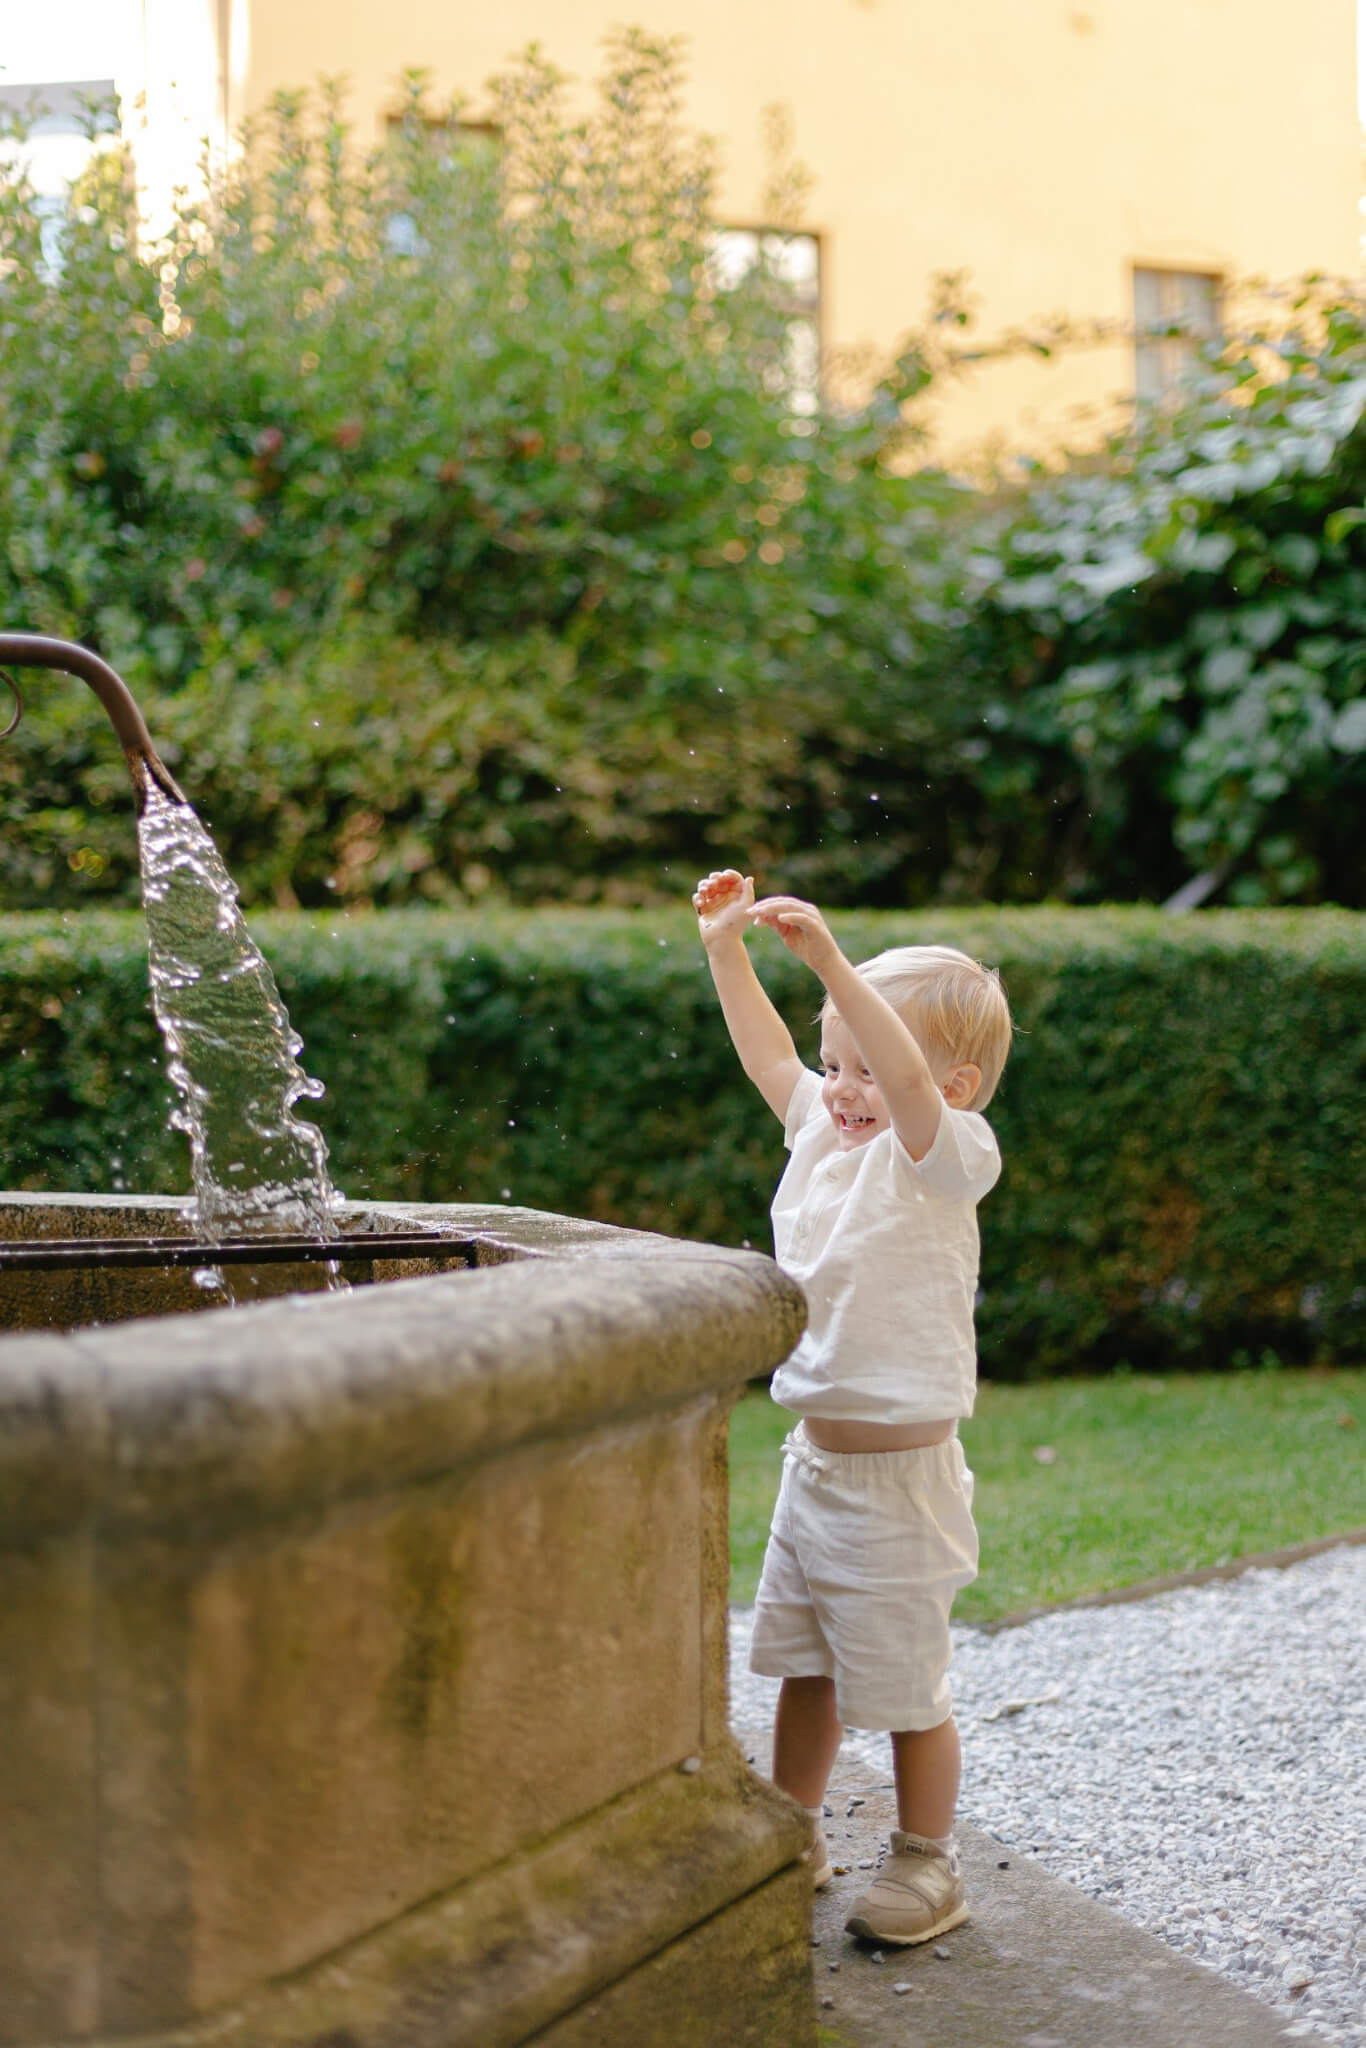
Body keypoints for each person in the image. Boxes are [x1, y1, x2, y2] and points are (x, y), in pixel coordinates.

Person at [692, 866, 1013, 1947]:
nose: (842, 1085)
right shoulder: (827, 1134)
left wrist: (832, 959)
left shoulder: (943, 1154)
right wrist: (725, 949)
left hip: (901, 1484)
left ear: (952, 1084)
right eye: (838, 1062)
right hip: (815, 1465)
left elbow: (908, 1094)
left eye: (867, 1067)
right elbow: (768, 1056)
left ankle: (929, 1860)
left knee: (907, 1687)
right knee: (806, 1665)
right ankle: (794, 1826)